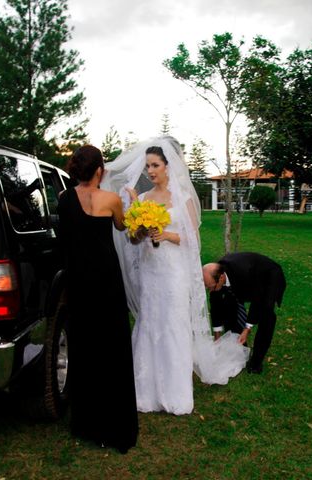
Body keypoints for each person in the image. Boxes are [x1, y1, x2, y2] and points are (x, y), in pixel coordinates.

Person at [101, 137, 249, 415]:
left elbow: (192, 240)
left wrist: (165, 234)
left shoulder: (183, 199)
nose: (150, 171)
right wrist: (141, 230)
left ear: (169, 166)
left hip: (173, 272)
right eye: (147, 166)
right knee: (149, 323)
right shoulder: (142, 199)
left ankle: (175, 394)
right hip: (150, 271)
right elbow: (133, 240)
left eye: (155, 165)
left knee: (173, 326)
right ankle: (145, 392)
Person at [57, 144, 138, 453]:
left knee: (85, 347)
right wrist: (135, 213)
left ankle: (86, 423)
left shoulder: (64, 200)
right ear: (100, 171)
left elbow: (64, 242)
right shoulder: (112, 199)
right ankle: (112, 424)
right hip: (106, 281)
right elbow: (125, 228)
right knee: (112, 349)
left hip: (79, 283)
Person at [202, 252, 287, 374]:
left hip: (269, 278)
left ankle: (256, 362)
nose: (210, 290)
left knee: (266, 315)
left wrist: (247, 329)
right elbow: (216, 308)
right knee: (229, 309)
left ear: (221, 278)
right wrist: (217, 337)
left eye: (211, 287)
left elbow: (258, 301)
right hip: (244, 283)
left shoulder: (243, 272)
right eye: (207, 287)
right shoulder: (216, 278)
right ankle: (241, 347)